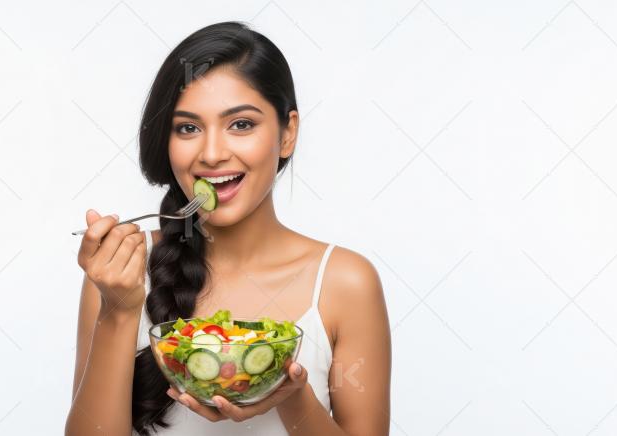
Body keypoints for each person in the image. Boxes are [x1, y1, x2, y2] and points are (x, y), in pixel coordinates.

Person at [66, 21, 391, 436]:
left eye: (241, 124)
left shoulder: (346, 282)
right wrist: (118, 310)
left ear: (287, 133)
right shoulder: (121, 273)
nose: (213, 153)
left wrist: (287, 391)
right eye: (188, 128)